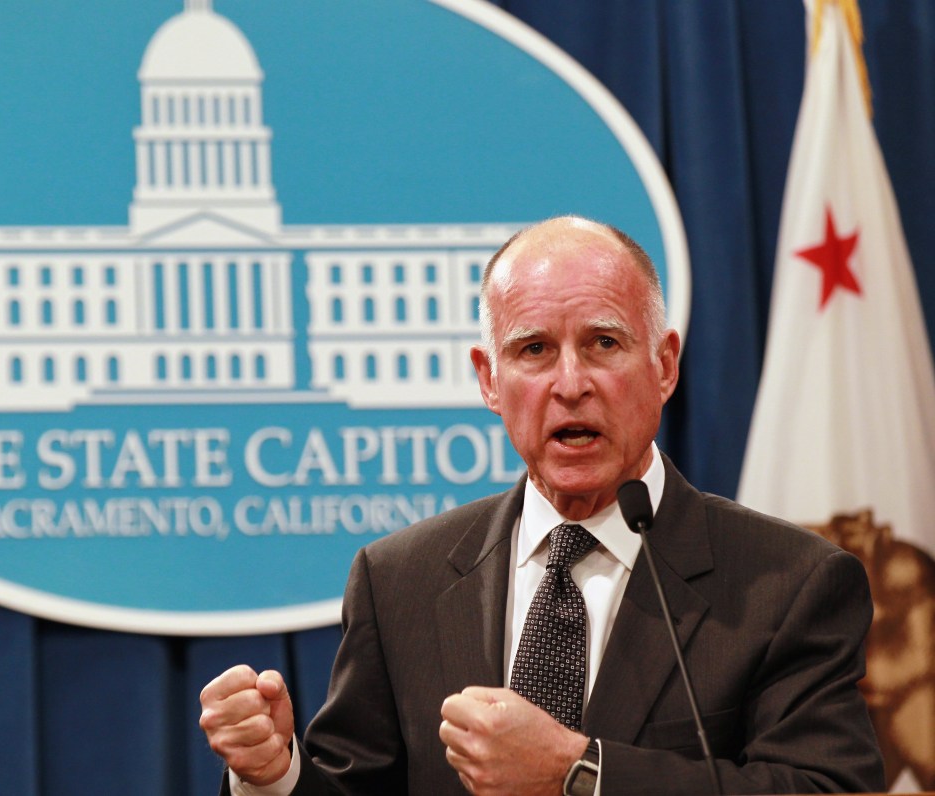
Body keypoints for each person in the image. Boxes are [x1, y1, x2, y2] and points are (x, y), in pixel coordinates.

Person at [199, 216, 885, 794]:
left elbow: (824, 788)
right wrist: (274, 775)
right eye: (533, 350)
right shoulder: (399, 580)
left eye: (603, 343)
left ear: (665, 364)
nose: (570, 383)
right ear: (489, 380)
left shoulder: (788, 584)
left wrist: (581, 773)